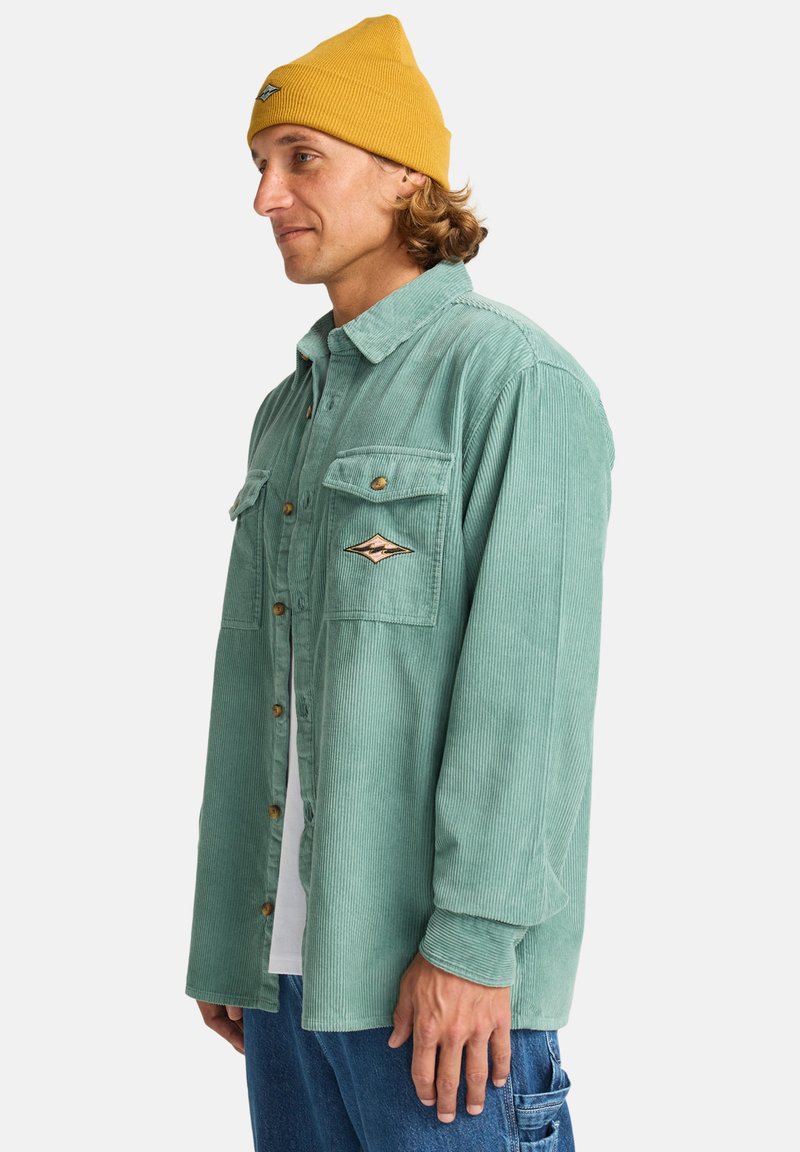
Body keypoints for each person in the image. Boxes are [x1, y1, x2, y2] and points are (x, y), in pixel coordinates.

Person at [185, 14, 615, 1151]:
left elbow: (531, 693)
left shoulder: (512, 381)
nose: (266, 197)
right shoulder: (288, 411)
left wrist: (473, 943)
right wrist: (234, 935)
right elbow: (259, 685)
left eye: (301, 158)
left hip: (443, 998)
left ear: (404, 175)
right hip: (286, 987)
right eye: (258, 164)